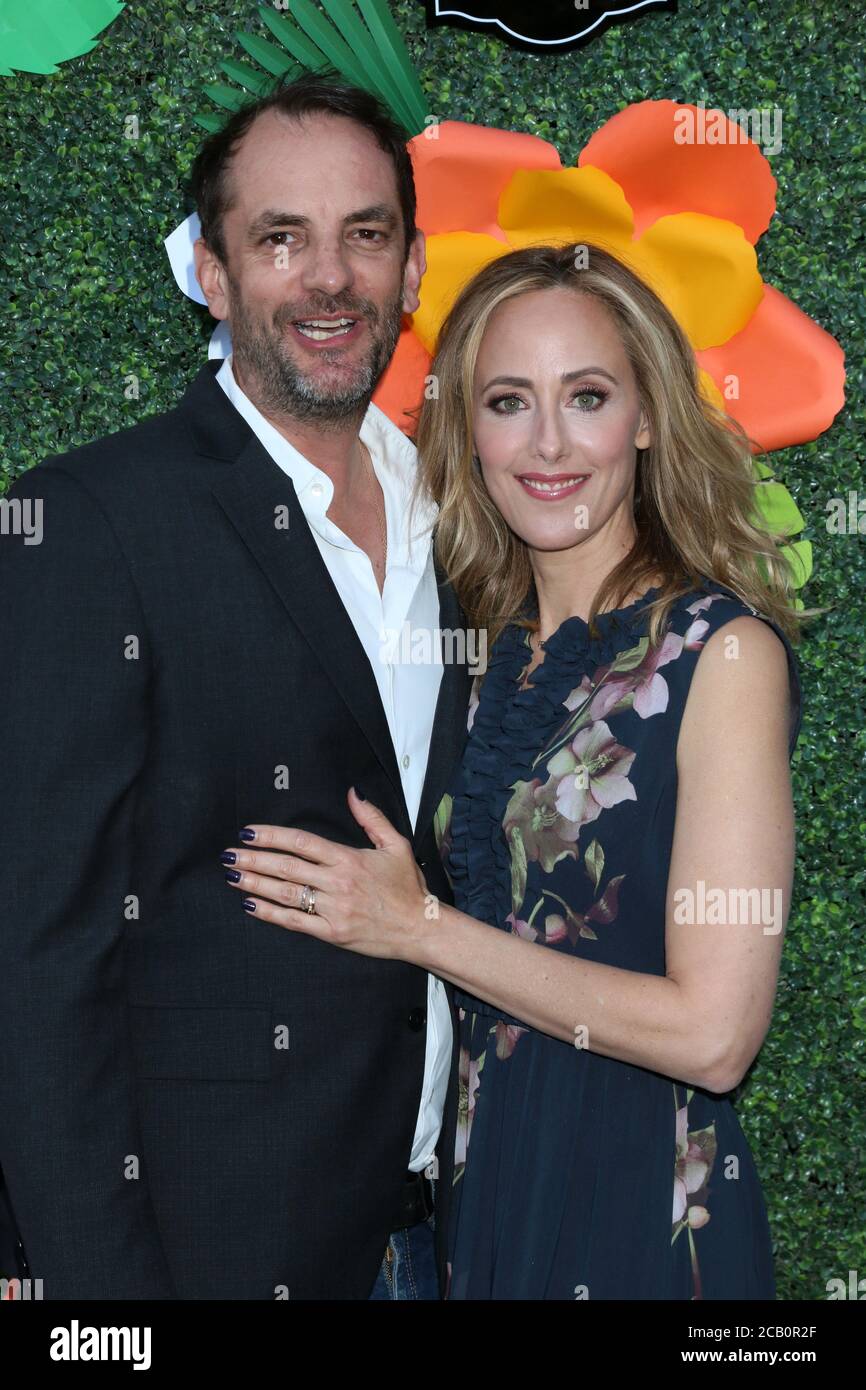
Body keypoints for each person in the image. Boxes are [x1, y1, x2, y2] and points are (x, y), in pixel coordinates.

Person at [219, 242, 804, 1299]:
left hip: (639, 1209)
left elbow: (716, 1036)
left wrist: (417, 928)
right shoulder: (470, 653)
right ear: (467, 431)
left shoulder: (720, 652)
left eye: (585, 396)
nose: (546, 442)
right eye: (505, 400)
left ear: (647, 417)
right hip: (475, 1194)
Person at [0, 75, 472, 1299]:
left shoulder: (465, 520)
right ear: (212, 275)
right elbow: (38, 961)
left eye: (363, 235)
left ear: (412, 269)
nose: (328, 279)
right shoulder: (89, 521)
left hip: (447, 1234)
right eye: (280, 238)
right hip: (206, 1251)